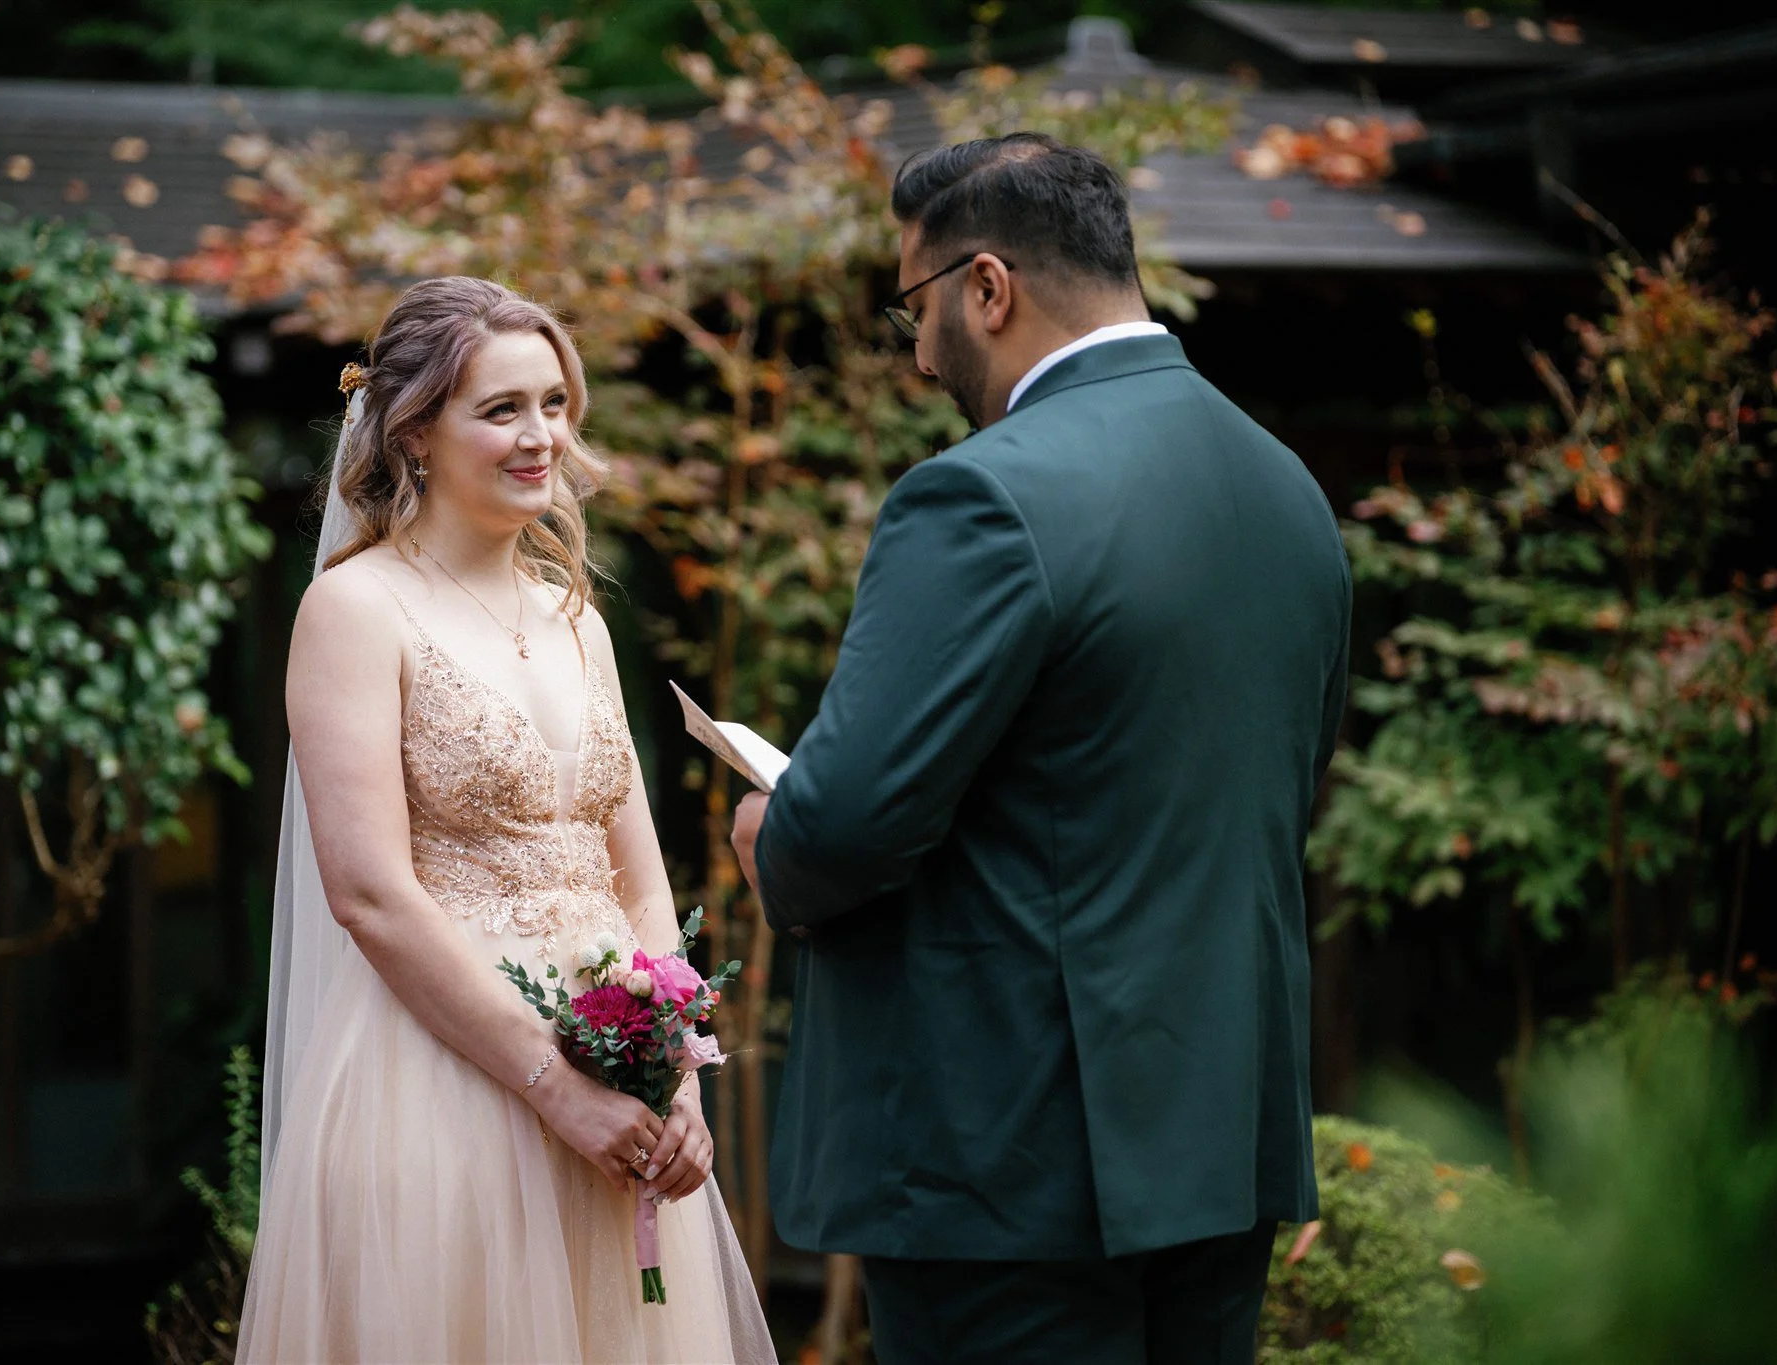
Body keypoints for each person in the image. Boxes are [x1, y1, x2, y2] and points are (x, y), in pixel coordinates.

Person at [730, 133, 1353, 1363]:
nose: (914, 350)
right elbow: (1275, 783)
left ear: (986, 288)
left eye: (912, 307)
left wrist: (774, 841)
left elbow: (849, 817)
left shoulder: (980, 494)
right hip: (1216, 1137)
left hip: (1004, 1160)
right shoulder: (1285, 487)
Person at [240, 276, 774, 1363]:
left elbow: (636, 878)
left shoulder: (578, 620)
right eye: (501, 410)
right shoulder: (354, 609)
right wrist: (549, 1083)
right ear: (416, 432)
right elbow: (369, 892)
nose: (541, 438)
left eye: (553, 404)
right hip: (446, 1079)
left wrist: (673, 1076)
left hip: (619, 1084)